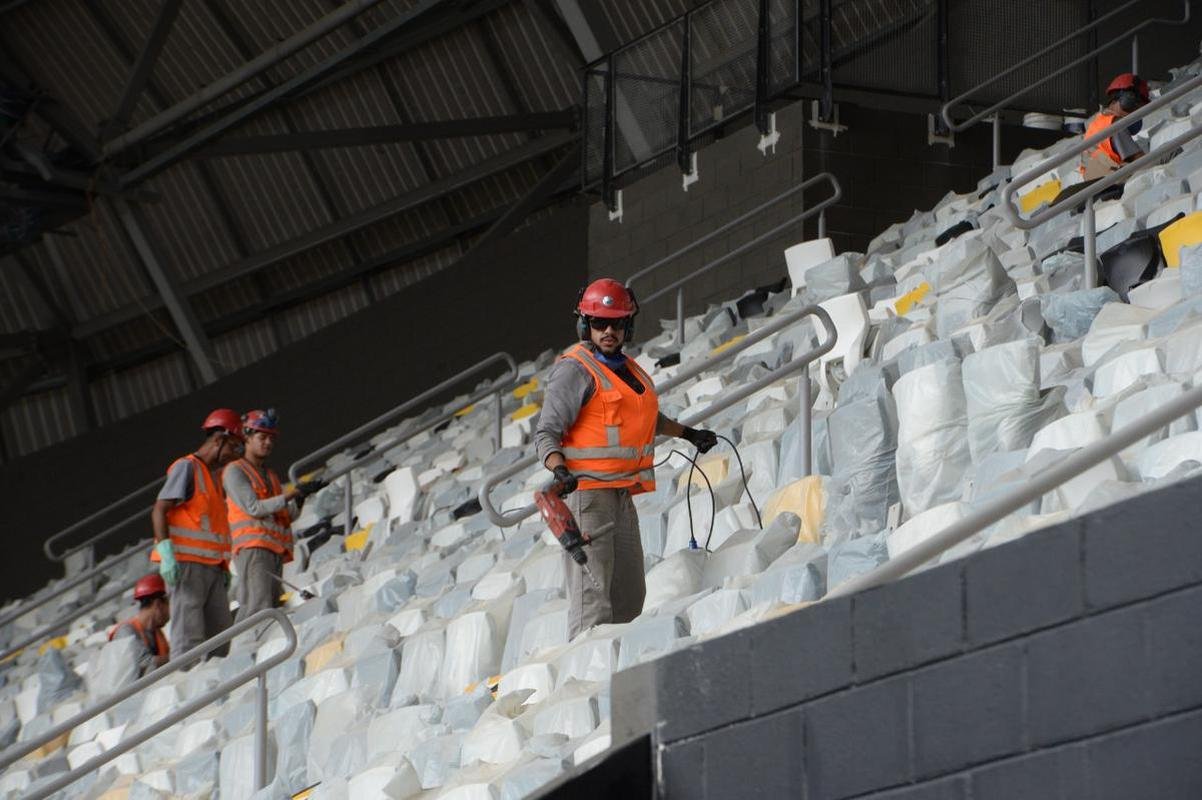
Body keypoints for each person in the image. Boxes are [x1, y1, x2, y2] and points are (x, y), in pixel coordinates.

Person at [534, 278, 719, 639]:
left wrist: (688, 434)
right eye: (599, 322)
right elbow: (546, 434)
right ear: (585, 324)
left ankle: (619, 671)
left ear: (628, 326)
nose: (608, 330)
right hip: (587, 498)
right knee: (593, 606)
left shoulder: (629, 371)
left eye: (616, 323)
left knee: (630, 598)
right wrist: (560, 470)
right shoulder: (575, 370)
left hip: (620, 495)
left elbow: (645, 421)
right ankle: (589, 678)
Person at [150, 408, 243, 660]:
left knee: (221, 635)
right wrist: (166, 552)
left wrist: (224, 566)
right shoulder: (187, 467)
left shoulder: (212, 478)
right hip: (186, 566)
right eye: (234, 447)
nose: (235, 455)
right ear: (218, 440)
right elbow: (160, 509)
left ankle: (217, 686)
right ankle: (188, 688)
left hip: (212, 568)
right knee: (188, 637)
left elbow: (213, 529)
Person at [225, 409, 321, 620]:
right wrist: (292, 492)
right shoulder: (235, 471)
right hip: (253, 549)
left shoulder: (270, 475)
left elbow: (286, 515)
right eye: (262, 437)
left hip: (272, 549)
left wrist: (301, 496)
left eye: (271, 438)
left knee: (270, 606)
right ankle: (244, 649)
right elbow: (254, 508)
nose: (267, 442)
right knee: (257, 608)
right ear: (247, 438)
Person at [1080, 73, 1150, 179]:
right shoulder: (1115, 124)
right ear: (1127, 101)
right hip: (1111, 179)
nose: (1137, 112)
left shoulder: (1099, 121)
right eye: (1137, 105)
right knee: (1169, 153)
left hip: (1098, 177)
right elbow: (1140, 160)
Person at [108, 573, 170, 676]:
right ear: (158, 604)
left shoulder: (156, 632)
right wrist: (179, 653)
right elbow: (144, 664)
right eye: (168, 604)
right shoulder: (126, 631)